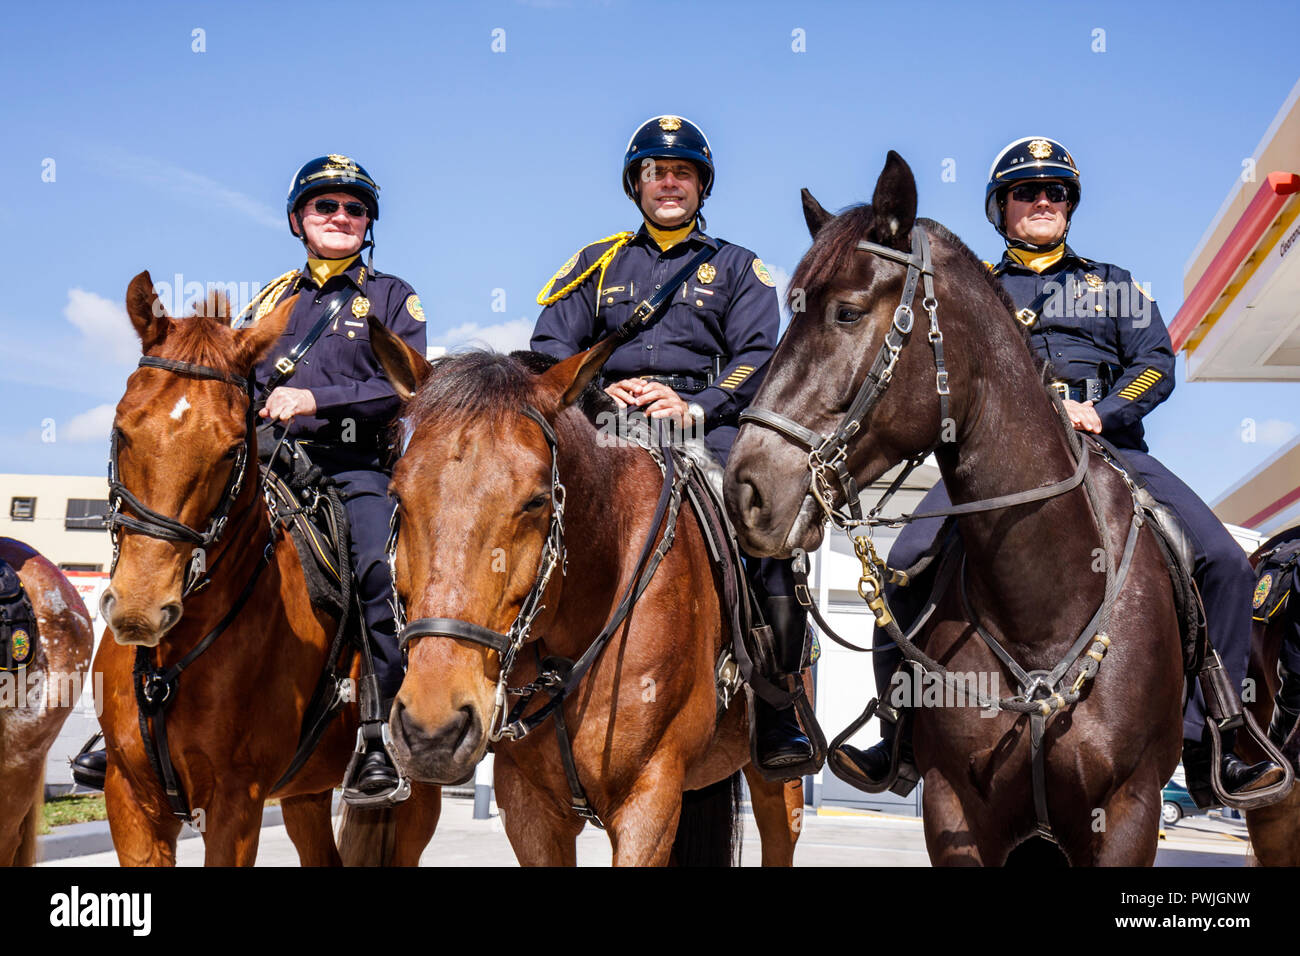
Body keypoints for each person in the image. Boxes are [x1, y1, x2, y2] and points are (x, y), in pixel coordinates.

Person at [843, 136, 1283, 805]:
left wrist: (1101, 412)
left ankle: (1213, 739)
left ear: (1071, 204)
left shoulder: (1114, 285)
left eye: (1056, 191)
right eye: (1027, 191)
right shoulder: (973, 290)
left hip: (1111, 450)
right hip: (998, 464)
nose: (1043, 201)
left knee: (1224, 563)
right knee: (902, 566)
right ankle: (896, 733)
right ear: (1002, 208)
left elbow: (1157, 366)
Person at [72, 155, 426, 804]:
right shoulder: (270, 301)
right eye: (325, 206)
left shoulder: (393, 298)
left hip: (354, 469)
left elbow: (401, 384)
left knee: (378, 572)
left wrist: (315, 399)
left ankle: (378, 735)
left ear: (368, 223)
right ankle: (118, 721)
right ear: (299, 219)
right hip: (269, 461)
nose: (340, 218)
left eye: (354, 209)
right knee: (173, 534)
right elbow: (234, 380)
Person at [530, 115, 814, 775]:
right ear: (637, 183)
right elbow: (550, 350)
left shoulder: (740, 268)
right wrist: (604, 395)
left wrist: (698, 404)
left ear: (700, 185)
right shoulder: (594, 264)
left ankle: (777, 709)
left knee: (764, 532)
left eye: (681, 172)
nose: (668, 183)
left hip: (702, 425)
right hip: (607, 424)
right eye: (656, 172)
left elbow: (758, 357)